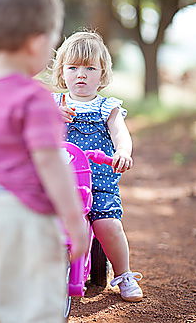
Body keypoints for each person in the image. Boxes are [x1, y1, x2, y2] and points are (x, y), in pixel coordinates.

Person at [0, 0, 88, 323]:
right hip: (26, 218)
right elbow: (51, 162)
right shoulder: (35, 98)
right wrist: (73, 220)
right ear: (37, 43)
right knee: (35, 310)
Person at [51, 31, 143, 302]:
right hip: (59, 182)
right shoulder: (54, 104)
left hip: (99, 181)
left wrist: (123, 151)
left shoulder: (108, 107)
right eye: (74, 67)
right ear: (62, 72)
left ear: (102, 74)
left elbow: (119, 133)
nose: (81, 74)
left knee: (108, 225)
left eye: (90, 68)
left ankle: (124, 274)